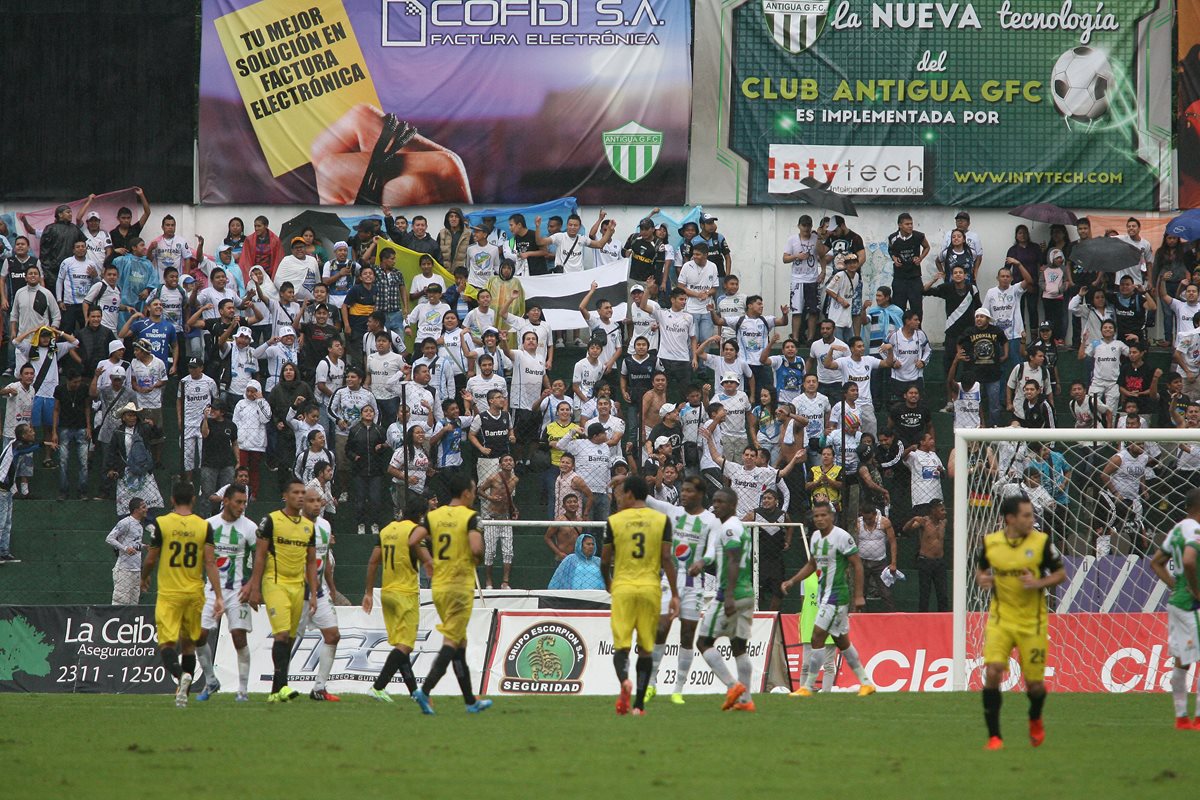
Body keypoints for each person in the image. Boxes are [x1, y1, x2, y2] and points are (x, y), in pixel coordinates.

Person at [976, 495, 1067, 750]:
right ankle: (994, 737)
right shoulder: (991, 543)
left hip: (1032, 623)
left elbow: (1060, 574)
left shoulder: (1041, 543)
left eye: (1032, 515)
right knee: (993, 671)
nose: (1032, 520)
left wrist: (1038, 583)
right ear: (1010, 519)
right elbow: (981, 569)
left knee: (1035, 685)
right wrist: (983, 579)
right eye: (1027, 515)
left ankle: (1035, 718)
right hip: (1000, 619)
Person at [409, 473, 493, 714]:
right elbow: (476, 548)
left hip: (439, 587)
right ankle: (424, 691)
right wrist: (475, 558)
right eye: (474, 490)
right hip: (459, 586)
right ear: (466, 493)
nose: (475, 494)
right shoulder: (470, 517)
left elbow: (413, 539)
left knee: (459, 644)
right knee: (452, 642)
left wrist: (427, 561)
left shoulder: (434, 516)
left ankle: (470, 701)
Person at [140, 482, 223, 708]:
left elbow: (151, 558)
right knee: (188, 645)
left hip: (169, 593)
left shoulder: (162, 523)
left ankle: (180, 676)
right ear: (193, 500)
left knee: (167, 643)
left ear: (172, 500)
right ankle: (182, 694)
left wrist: (144, 577)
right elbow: (210, 562)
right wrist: (218, 595)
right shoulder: (203, 526)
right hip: (194, 593)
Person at [638, 476, 720, 704]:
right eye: (682, 490)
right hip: (669, 581)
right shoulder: (673, 511)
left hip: (694, 584)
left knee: (687, 635)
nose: (683, 494)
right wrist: (626, 482)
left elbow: (712, 549)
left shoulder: (710, 520)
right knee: (661, 627)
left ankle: (678, 689)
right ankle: (651, 684)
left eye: (688, 491)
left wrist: (702, 562)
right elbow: (647, 499)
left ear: (700, 494)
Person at [782, 501, 876, 697]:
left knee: (817, 635)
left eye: (823, 515)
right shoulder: (815, 537)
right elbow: (812, 564)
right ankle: (866, 683)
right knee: (842, 642)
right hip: (825, 595)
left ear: (831, 516)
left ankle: (807, 687)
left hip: (837, 595)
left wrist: (858, 596)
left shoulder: (842, 537)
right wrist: (793, 580)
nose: (819, 519)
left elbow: (857, 565)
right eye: (816, 516)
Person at [602, 475, 677, 716]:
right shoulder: (662, 520)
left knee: (621, 646)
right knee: (646, 648)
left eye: (623, 493)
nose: (620, 498)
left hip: (623, 587)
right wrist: (675, 594)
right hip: (650, 588)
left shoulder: (614, 521)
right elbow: (667, 558)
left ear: (631, 494)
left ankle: (624, 680)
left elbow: (604, 561)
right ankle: (639, 706)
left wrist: (609, 583)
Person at [247, 479, 319, 703]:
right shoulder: (271, 520)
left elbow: (310, 562)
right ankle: (284, 685)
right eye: (295, 493)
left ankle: (275, 692)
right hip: (274, 582)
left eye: (302, 493)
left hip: (298, 586)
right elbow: (259, 555)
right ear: (285, 496)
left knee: (288, 638)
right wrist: (255, 587)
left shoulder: (309, 527)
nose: (300, 496)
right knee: (280, 634)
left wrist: (314, 593)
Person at [688, 487, 756, 711]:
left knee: (703, 642)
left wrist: (727, 596)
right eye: (714, 501)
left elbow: (734, 561)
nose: (715, 505)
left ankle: (733, 686)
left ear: (733, 505)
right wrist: (702, 563)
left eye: (721, 502)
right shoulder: (731, 527)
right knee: (739, 647)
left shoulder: (729, 529)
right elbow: (717, 555)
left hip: (730, 593)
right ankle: (746, 701)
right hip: (746, 593)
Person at [192, 483, 258, 702]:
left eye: (244, 502)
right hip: (211, 589)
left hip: (238, 590)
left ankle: (242, 690)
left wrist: (253, 586)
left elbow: (261, 557)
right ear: (226, 501)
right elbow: (199, 558)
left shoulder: (249, 528)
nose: (242, 506)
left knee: (239, 637)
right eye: (238, 502)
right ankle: (211, 680)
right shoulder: (208, 525)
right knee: (199, 635)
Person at [363, 495, 426, 702]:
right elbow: (427, 560)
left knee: (401, 646)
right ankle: (378, 686)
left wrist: (369, 592)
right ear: (420, 515)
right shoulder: (415, 531)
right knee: (405, 646)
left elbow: (373, 562)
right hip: (406, 594)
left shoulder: (387, 529)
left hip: (387, 593)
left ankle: (414, 693)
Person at [1149, 490, 1200, 729]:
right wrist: (1195, 590)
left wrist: (1176, 585)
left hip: (1176, 600)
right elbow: (1189, 560)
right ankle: (1198, 719)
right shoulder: (1196, 530)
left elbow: (1156, 561)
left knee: (1182, 660)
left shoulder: (1177, 529)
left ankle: (1181, 717)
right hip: (1192, 603)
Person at [297, 486, 342, 701]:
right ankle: (279, 686)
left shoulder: (325, 525)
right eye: (311, 500)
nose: (316, 504)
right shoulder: (294, 526)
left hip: (320, 590)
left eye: (319, 500)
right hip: (297, 591)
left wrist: (331, 587)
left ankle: (319, 688)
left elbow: (324, 560)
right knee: (288, 640)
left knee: (333, 635)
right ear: (302, 503)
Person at [478, 453, 519, 589]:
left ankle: (505, 582)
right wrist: (490, 498)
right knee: (490, 551)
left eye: (510, 460)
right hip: (492, 518)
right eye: (505, 461)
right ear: (500, 465)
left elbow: (509, 497)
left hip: (506, 518)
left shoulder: (515, 480)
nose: (508, 462)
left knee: (508, 552)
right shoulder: (493, 478)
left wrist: (514, 509)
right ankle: (488, 581)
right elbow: (479, 490)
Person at [0, 424, 37, 562]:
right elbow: (27, 448)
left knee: (8, 522)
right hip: (1, 489)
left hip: (8, 489)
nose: (33, 432)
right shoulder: (16, 446)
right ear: (23, 436)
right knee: (1, 522)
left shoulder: (14, 444)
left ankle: (4, 552)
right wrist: (43, 443)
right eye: (30, 431)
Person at [784, 215, 824, 343]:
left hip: (812, 279)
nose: (806, 228)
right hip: (797, 279)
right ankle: (795, 337)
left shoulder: (815, 238)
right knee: (797, 310)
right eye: (804, 225)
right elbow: (785, 258)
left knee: (813, 311)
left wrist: (822, 271)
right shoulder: (792, 240)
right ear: (799, 226)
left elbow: (822, 255)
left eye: (808, 225)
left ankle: (810, 338)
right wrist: (797, 256)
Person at [106, 497, 147, 605]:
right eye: (143, 507)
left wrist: (144, 546)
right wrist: (125, 548)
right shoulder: (125, 522)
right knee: (120, 602)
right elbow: (110, 538)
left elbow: (133, 544)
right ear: (136, 510)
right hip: (124, 569)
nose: (146, 509)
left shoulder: (139, 526)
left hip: (136, 569)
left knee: (134, 603)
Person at [887, 212, 929, 315]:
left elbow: (927, 247)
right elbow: (890, 250)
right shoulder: (893, 237)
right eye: (907, 224)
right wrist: (894, 258)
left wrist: (920, 258)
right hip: (899, 277)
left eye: (911, 223)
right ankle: (900, 330)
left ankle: (918, 330)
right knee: (898, 308)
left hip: (914, 277)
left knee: (917, 308)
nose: (910, 226)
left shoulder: (918, 236)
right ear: (900, 225)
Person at [857, 504, 898, 611]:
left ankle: (892, 618)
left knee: (886, 593)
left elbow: (893, 542)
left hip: (879, 563)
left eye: (870, 518)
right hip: (862, 562)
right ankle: (861, 617)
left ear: (875, 515)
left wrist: (893, 563)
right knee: (861, 592)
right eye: (865, 518)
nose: (867, 521)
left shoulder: (884, 522)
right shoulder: (858, 523)